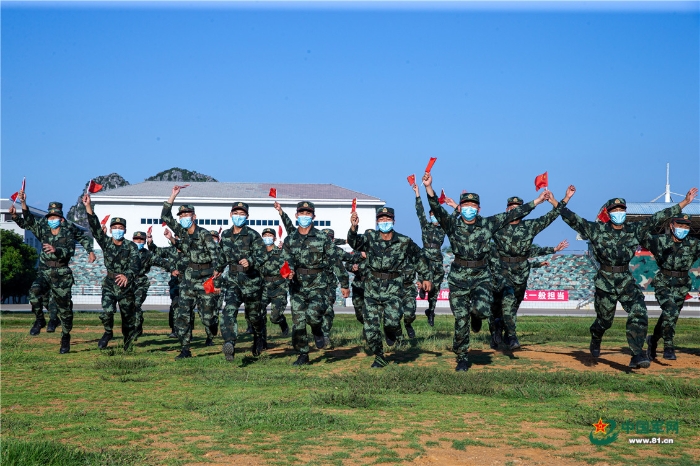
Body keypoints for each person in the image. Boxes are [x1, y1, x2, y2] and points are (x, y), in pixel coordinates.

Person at [560, 185, 697, 369]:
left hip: (625, 279)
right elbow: (573, 220)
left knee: (639, 312)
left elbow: (658, 216)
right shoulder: (597, 230)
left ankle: (637, 354)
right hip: (605, 282)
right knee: (604, 321)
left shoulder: (634, 230)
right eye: (615, 210)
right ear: (609, 213)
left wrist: (684, 203)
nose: (619, 212)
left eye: (622, 210)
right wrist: (560, 201)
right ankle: (596, 336)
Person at [423, 171, 549, 371]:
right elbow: (436, 208)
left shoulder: (488, 224)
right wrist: (429, 188)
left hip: (481, 276)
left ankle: (476, 316)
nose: (469, 209)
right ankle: (462, 356)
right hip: (458, 277)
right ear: (460, 207)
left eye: (473, 206)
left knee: (481, 310)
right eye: (465, 206)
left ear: (479, 209)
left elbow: (513, 214)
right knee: (461, 319)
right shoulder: (451, 224)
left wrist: (537, 201)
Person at [10, 194, 95, 353]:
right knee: (34, 293)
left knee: (65, 311)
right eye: (50, 216)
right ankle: (39, 320)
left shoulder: (68, 231)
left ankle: (65, 337)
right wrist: (21, 206)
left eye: (55, 216)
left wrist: (58, 250)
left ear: (61, 219)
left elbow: (70, 250)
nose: (52, 219)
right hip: (44, 271)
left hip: (61, 273)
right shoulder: (43, 229)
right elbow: (28, 222)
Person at [348, 206, 431, 368]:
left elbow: (420, 256)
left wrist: (425, 277)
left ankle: (392, 332)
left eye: (387, 219)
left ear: (394, 221)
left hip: (394, 289)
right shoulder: (370, 237)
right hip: (372, 288)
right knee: (370, 329)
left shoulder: (403, 241)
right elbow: (354, 243)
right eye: (381, 219)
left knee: (391, 323)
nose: (384, 221)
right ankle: (379, 356)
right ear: (377, 221)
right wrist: (353, 227)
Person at [488, 193, 567, 349]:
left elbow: (550, 216)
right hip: (502, 272)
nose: (515, 212)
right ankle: (511, 337)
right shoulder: (498, 227)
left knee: (513, 306)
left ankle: (500, 330)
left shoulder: (529, 226)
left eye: (518, 209)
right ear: (506, 210)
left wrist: (565, 199)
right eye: (511, 209)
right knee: (505, 303)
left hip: (521, 273)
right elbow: (477, 225)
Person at [281, 201, 350, 366]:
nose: (304, 216)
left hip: (319, 285)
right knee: (298, 323)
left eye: (308, 213)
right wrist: (287, 272)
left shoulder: (322, 238)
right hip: (297, 286)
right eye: (302, 213)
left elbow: (335, 261)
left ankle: (318, 331)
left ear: (313, 216)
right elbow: (284, 261)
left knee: (313, 315)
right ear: (296, 216)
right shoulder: (290, 239)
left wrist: (344, 283)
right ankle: (303, 354)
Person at [161, 185, 221, 359]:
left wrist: (217, 273)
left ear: (194, 217)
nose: (184, 218)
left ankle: (212, 326)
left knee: (207, 317)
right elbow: (165, 216)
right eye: (182, 216)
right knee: (183, 314)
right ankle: (185, 348)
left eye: (187, 215)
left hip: (206, 279)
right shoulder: (181, 232)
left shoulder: (204, 235)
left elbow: (215, 254)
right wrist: (173, 195)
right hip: (188, 279)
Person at [83, 194, 141, 351]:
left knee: (127, 317)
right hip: (109, 283)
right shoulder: (106, 243)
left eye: (120, 228)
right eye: (114, 228)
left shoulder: (131, 246)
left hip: (125, 286)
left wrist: (127, 275)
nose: (117, 230)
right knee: (107, 311)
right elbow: (94, 227)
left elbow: (136, 265)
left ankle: (127, 342)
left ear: (125, 230)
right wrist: (89, 206)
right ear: (110, 229)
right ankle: (108, 332)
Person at [641, 214, 700, 361]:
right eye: (680, 225)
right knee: (670, 310)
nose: (683, 229)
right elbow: (640, 234)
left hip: (682, 284)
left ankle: (652, 340)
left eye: (686, 226)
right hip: (664, 282)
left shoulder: (694, 244)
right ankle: (668, 346)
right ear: (672, 226)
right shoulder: (660, 241)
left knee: (669, 317)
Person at [216, 202, 266, 362]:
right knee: (228, 312)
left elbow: (263, 255)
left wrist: (250, 260)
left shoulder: (253, 235)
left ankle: (259, 336)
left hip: (251, 282)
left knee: (254, 316)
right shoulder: (225, 235)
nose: (239, 216)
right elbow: (223, 255)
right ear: (231, 215)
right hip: (232, 281)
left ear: (247, 216)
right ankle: (229, 342)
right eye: (236, 212)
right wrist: (218, 268)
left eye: (242, 213)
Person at [411, 182, 446, 327]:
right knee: (425, 279)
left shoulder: (444, 227)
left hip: (437, 259)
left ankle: (431, 311)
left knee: (435, 288)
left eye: (436, 215)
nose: (434, 217)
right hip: (425, 258)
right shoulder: (426, 226)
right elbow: (420, 212)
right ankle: (421, 288)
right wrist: (417, 194)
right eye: (432, 215)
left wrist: (456, 206)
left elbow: (455, 219)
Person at [132, 231, 173, 339]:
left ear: (145, 241)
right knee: (128, 307)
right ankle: (135, 325)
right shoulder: (126, 251)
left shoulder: (148, 255)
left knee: (136, 304)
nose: (138, 242)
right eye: (136, 239)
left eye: (141, 240)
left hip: (141, 282)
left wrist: (173, 269)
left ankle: (136, 329)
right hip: (128, 282)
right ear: (132, 240)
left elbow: (162, 262)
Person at [320, 228, 354, 347]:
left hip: (328, 286)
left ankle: (325, 336)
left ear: (332, 239)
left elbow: (350, 258)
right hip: (312, 286)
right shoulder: (312, 249)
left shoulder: (335, 251)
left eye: (328, 238)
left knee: (327, 311)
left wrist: (363, 253)